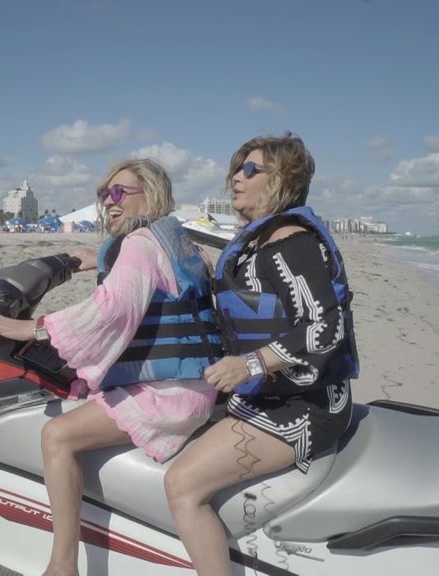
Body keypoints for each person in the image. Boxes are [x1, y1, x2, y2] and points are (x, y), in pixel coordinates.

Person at [0, 159, 221, 576]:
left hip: (170, 395)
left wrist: (30, 329)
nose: (110, 201)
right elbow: (131, 273)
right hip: (193, 383)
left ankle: (62, 565)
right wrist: (83, 259)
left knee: (56, 436)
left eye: (121, 192)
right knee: (77, 392)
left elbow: (111, 311)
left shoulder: (142, 244)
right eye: (105, 194)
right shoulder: (174, 238)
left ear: (151, 194)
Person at [164, 133, 360, 575]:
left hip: (304, 405)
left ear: (282, 181)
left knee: (181, 484)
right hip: (266, 393)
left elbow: (326, 327)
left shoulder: (289, 240)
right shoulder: (256, 242)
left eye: (251, 169)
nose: (236, 176)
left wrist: (249, 364)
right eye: (237, 167)